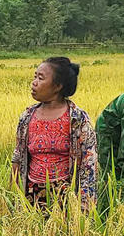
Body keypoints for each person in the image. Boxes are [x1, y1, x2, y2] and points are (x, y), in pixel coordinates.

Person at [10, 57, 97, 211]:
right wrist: (13, 198)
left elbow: (88, 165)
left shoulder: (77, 119)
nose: (34, 82)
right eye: (34, 76)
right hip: (31, 196)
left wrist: (85, 206)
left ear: (57, 86)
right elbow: (18, 157)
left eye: (40, 78)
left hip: (66, 197)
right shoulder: (27, 117)